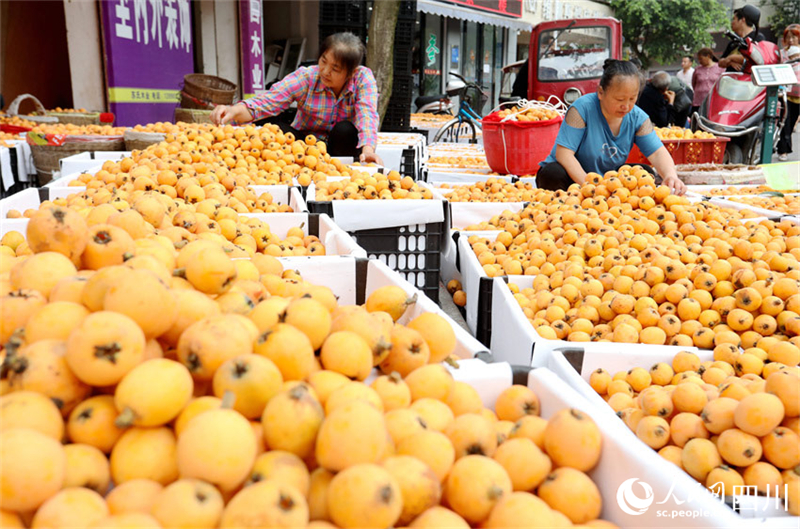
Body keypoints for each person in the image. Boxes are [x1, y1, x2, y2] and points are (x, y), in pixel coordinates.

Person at [211, 32, 383, 164]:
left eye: (335, 69)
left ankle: (342, 171)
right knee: (275, 128)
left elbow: (366, 115)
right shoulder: (307, 77)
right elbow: (268, 102)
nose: (325, 71)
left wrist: (368, 150)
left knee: (345, 130)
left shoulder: (362, 78)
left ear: (350, 72)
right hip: (305, 146)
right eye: (323, 61)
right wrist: (233, 110)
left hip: (341, 148)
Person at [537, 60, 686, 195]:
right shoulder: (581, 109)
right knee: (552, 173)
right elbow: (564, 154)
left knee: (644, 173)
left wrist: (670, 175)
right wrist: (590, 187)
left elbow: (658, 153)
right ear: (601, 92)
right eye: (620, 99)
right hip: (572, 177)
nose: (626, 106)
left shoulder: (638, 118)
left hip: (607, 180)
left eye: (632, 99)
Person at [777, 26, 800, 161]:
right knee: (784, 121)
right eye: (788, 37)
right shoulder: (782, 53)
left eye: (794, 37)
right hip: (785, 91)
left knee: (791, 124)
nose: (791, 40)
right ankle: (783, 150)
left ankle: (783, 145)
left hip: (798, 93)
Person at [719, 5, 765, 73]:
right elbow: (720, 63)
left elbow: (757, 58)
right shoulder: (733, 41)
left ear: (742, 20)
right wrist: (730, 62)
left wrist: (731, 58)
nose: (732, 22)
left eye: (734, 19)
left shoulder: (758, 38)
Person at [691, 48, 724, 115]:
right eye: (699, 59)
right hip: (699, 102)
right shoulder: (697, 69)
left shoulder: (720, 68)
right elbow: (694, 83)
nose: (699, 61)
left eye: (701, 59)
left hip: (714, 101)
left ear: (708, 56)